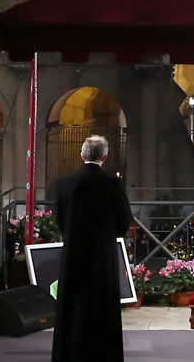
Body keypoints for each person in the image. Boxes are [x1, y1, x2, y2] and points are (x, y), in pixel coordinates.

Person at [50, 135, 133, 362]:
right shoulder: (112, 184)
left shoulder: (65, 184)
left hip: (73, 253)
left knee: (72, 306)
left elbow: (59, 220)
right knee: (102, 305)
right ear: (105, 157)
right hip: (101, 255)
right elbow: (124, 221)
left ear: (81, 155)